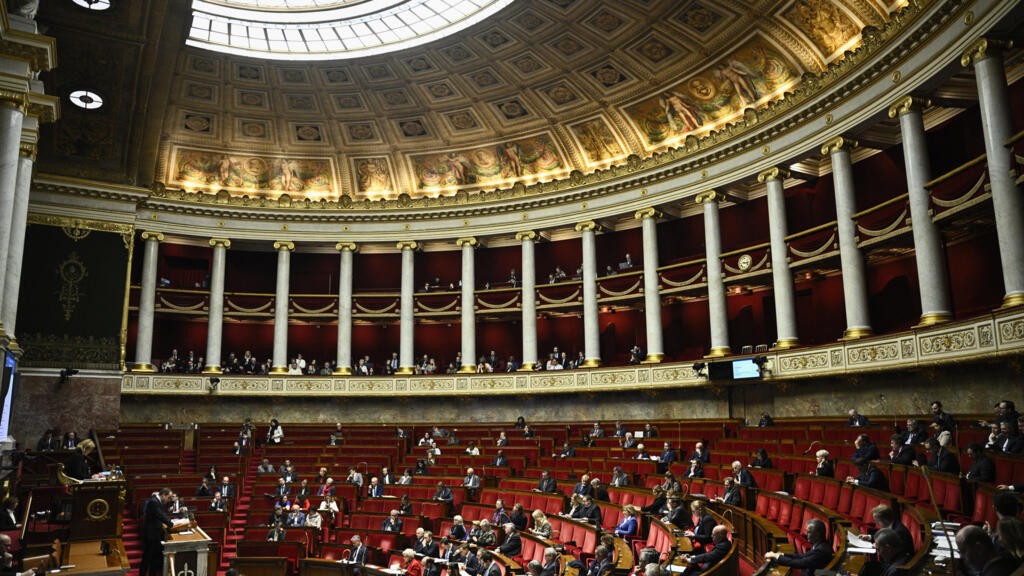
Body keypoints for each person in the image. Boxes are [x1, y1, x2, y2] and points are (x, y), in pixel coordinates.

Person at [764, 519, 834, 575]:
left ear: (817, 534)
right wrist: (782, 554)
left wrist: (776, 556)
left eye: (809, 532)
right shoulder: (819, 544)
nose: (806, 534)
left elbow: (800, 563)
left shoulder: (821, 550)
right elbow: (803, 556)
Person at [140, 489, 175, 576]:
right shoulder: (154, 502)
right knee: (147, 558)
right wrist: (171, 523)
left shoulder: (157, 501)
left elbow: (161, 515)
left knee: (154, 558)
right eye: (168, 497)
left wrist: (170, 522)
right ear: (163, 495)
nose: (169, 500)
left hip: (155, 534)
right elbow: (160, 515)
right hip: (151, 535)